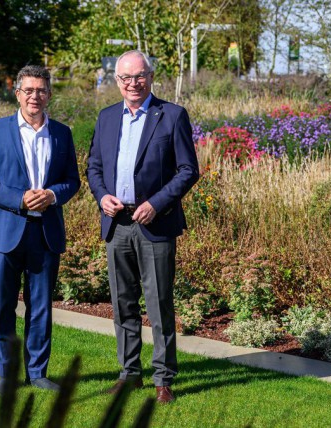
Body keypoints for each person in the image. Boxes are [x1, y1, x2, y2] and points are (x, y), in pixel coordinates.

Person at [86, 50, 199, 404]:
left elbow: (187, 170)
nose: (133, 84)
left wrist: (156, 203)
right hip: (116, 223)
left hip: (155, 222)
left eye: (139, 76)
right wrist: (102, 196)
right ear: (116, 81)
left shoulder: (172, 115)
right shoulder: (106, 118)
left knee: (159, 303)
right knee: (122, 303)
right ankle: (129, 373)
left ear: (151, 77)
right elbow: (94, 167)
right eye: (125, 78)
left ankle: (163, 377)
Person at [0, 65, 80, 395]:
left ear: (49, 94)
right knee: (4, 305)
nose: (35, 96)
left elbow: (72, 181)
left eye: (42, 90)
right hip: (3, 233)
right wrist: (19, 199)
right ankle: (7, 375)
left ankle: (38, 372)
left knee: (42, 306)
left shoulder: (62, 133)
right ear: (17, 93)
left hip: (45, 232)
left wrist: (52, 195)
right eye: (29, 90)